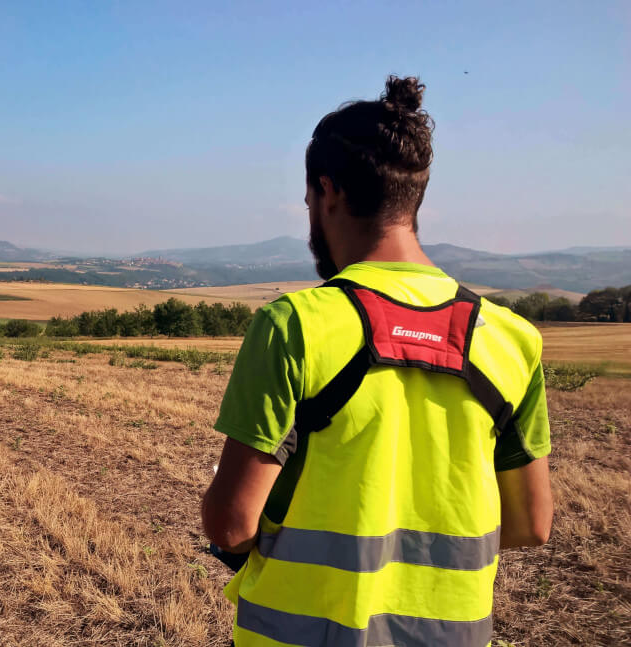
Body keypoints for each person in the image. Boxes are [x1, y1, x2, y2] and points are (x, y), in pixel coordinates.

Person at [200, 76, 553, 647]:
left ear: (328, 191)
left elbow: (232, 525)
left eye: (311, 200)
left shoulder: (295, 325)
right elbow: (532, 525)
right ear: (412, 199)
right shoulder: (511, 338)